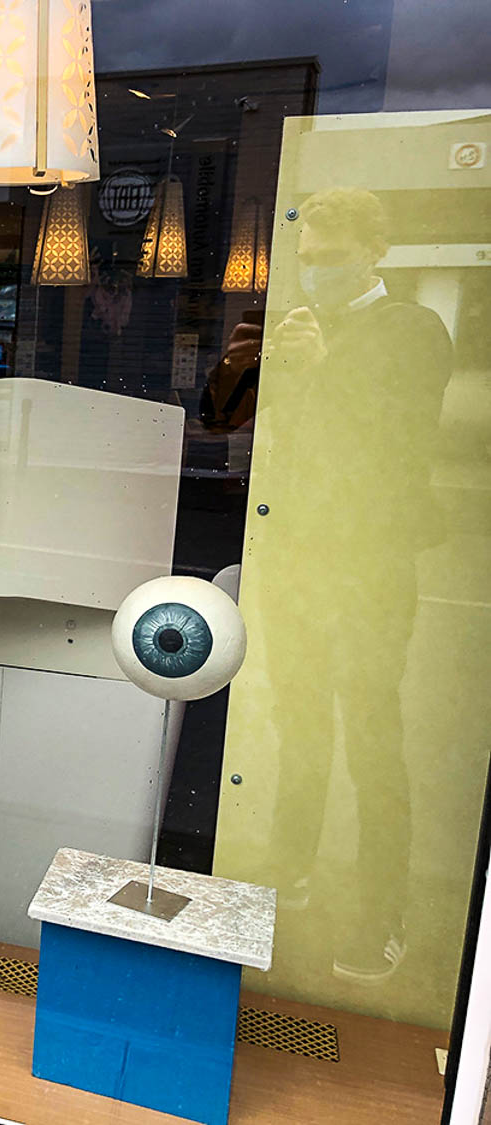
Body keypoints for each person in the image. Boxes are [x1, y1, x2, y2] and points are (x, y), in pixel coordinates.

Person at [259, 187, 452, 984]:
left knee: (373, 734)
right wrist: (273, 367)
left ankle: (383, 914)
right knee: (299, 725)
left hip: (370, 565)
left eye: (333, 258)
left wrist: (321, 369)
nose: (318, 272)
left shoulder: (414, 329)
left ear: (374, 252)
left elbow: (395, 440)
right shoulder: (303, 328)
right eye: (309, 259)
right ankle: (289, 871)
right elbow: (270, 433)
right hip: (296, 558)